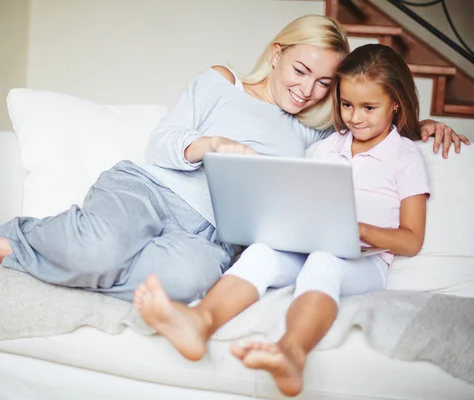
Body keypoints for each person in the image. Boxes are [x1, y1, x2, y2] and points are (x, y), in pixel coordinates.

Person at [0, 15, 466, 305]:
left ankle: (69, 253)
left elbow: (368, 122)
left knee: (183, 285)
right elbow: (162, 142)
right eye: (301, 70)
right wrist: (212, 145)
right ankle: (20, 237)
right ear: (279, 52)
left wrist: (421, 128)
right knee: (100, 249)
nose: (307, 90)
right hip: (149, 190)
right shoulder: (223, 83)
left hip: (211, 238)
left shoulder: (311, 134)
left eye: (323, 84)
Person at [133, 43, 434, 397]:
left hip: (365, 261)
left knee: (325, 261)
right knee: (260, 251)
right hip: (312, 244)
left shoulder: (405, 156)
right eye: (346, 104)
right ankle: (200, 323)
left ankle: (291, 352)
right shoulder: (327, 147)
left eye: (370, 108)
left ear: (395, 102)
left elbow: (411, 240)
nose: (355, 117)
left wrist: (359, 231)